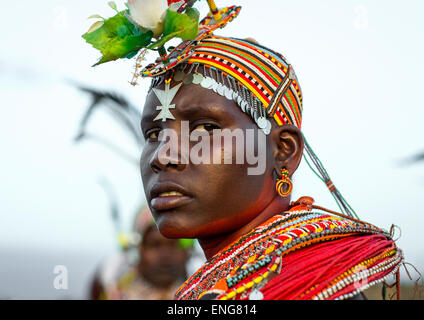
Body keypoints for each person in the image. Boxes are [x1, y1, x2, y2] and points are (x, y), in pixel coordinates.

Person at [83, 1, 403, 300]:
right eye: (153, 133)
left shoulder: (307, 276)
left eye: (205, 128)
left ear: (283, 151)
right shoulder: (224, 281)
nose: (163, 155)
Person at [89, 206, 193, 300]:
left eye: (173, 244)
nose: (165, 255)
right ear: (137, 250)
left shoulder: (203, 292)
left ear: (188, 252)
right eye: (154, 244)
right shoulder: (111, 289)